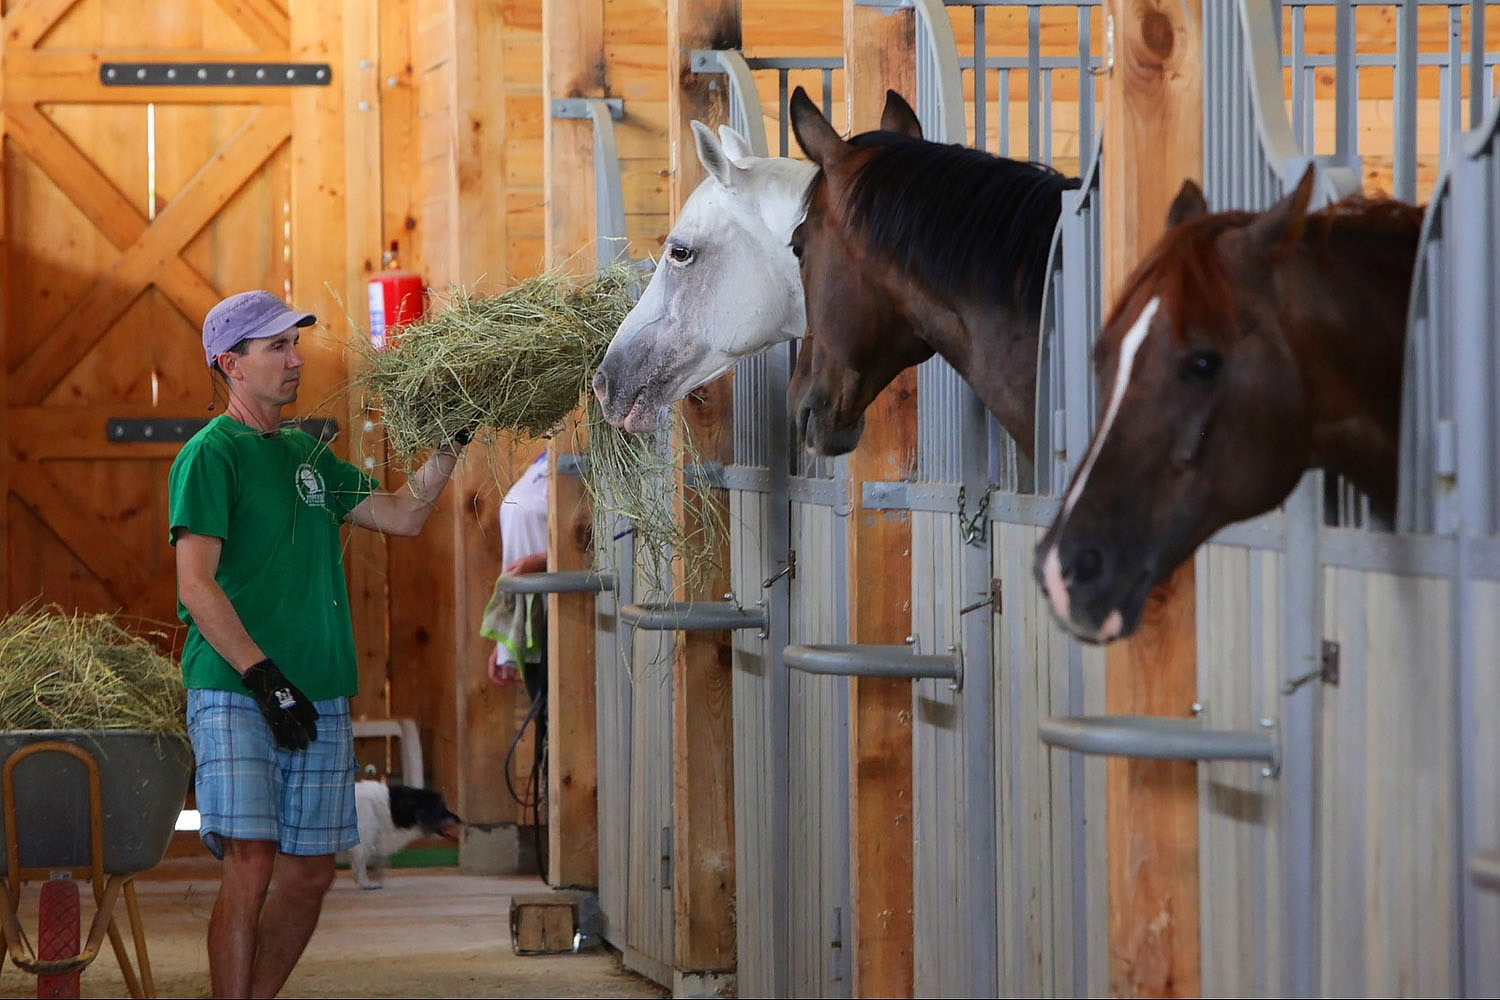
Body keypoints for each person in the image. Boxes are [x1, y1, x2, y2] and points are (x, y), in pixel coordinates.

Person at [169, 289, 471, 999]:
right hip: (237, 689)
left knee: (308, 872)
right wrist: (262, 676)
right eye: (275, 347)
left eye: (294, 343)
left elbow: (402, 515)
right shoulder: (210, 455)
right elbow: (196, 585)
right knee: (253, 858)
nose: (294, 358)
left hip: (320, 688)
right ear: (230, 363)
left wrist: (448, 447)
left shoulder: (308, 454)